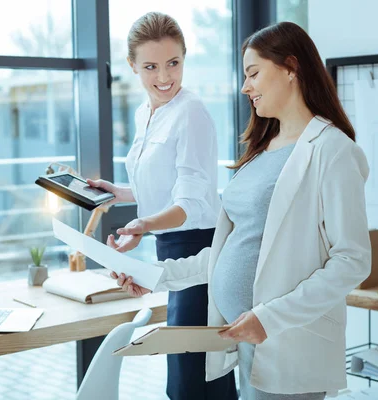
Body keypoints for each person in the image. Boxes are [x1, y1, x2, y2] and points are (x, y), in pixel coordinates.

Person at [112, 21, 372, 400]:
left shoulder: (333, 151)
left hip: (287, 344)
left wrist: (268, 320)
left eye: (253, 73)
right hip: (245, 343)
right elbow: (228, 251)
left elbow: (351, 261)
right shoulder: (260, 151)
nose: (245, 87)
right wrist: (155, 276)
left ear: (290, 68)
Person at [88, 12, 237, 400]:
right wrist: (117, 192)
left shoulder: (191, 113)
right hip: (170, 243)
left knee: (195, 378)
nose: (164, 76)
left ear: (185, 59)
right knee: (187, 374)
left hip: (199, 248)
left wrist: (143, 225)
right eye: (151, 66)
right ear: (132, 66)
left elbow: (188, 202)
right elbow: (162, 184)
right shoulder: (146, 113)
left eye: (174, 63)